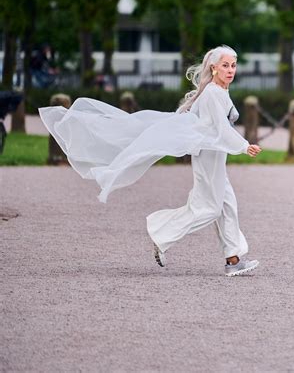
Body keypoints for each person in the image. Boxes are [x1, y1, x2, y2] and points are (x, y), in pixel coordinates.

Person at [39, 45, 261, 277]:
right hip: (209, 155)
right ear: (214, 68)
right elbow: (220, 128)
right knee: (210, 208)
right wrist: (245, 146)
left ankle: (233, 259)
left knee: (227, 204)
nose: (230, 70)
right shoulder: (213, 93)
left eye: (233, 65)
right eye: (225, 65)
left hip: (215, 154)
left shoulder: (219, 91)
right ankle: (162, 233)